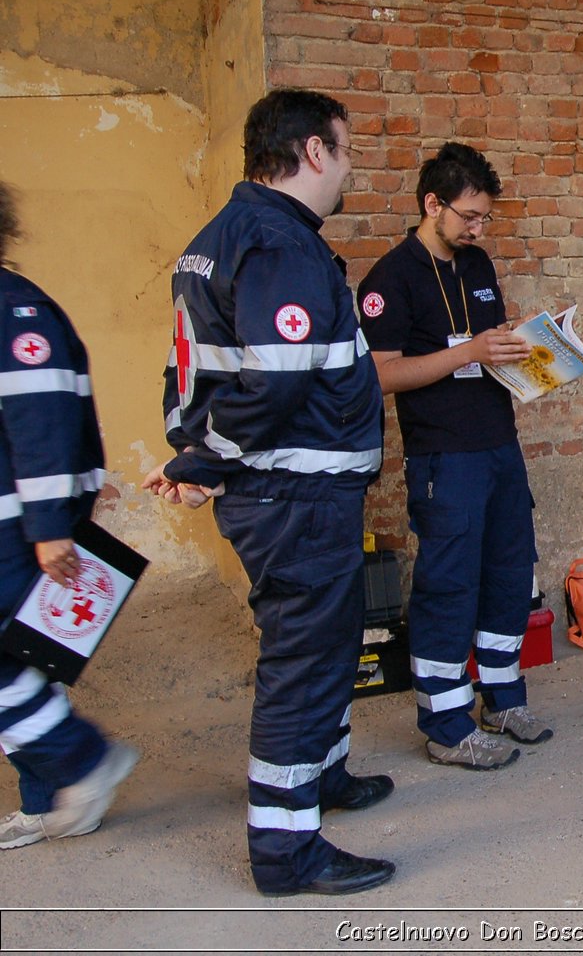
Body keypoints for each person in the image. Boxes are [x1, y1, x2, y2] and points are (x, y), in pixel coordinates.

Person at [142, 89, 394, 895]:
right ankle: (288, 852)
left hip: (294, 489)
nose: (348, 167)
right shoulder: (279, 241)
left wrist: (195, 457)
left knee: (327, 644)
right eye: (345, 151)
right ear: (314, 153)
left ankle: (323, 777)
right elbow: (271, 383)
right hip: (294, 494)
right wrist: (201, 463)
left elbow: (199, 372)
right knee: (304, 663)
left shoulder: (222, 237)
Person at [356, 143, 552, 772]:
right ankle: (445, 722)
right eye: (469, 216)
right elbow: (383, 376)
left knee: (508, 571)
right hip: (443, 456)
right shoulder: (390, 279)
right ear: (431, 204)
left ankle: (502, 698)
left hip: (498, 445)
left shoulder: (477, 266)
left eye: (485, 219)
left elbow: (483, 348)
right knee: (447, 586)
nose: (477, 228)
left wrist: (533, 358)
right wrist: (470, 353)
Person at [0, 182, 138, 851]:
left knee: (15, 664)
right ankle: (47, 795)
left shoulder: (16, 310)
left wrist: (51, 526)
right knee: (25, 662)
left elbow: (42, 419)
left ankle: (81, 761)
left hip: (16, 527)